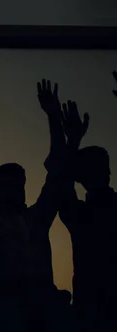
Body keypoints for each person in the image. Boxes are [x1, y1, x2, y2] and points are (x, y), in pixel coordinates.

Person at [0, 77, 73, 332]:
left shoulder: (35, 218)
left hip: (44, 305)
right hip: (9, 310)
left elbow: (56, 174)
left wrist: (54, 117)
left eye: (17, 185)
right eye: (6, 187)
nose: (14, 192)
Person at [58, 78, 116, 332]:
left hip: (90, 310)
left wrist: (73, 141)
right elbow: (62, 186)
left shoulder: (80, 215)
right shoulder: (81, 215)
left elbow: (62, 185)